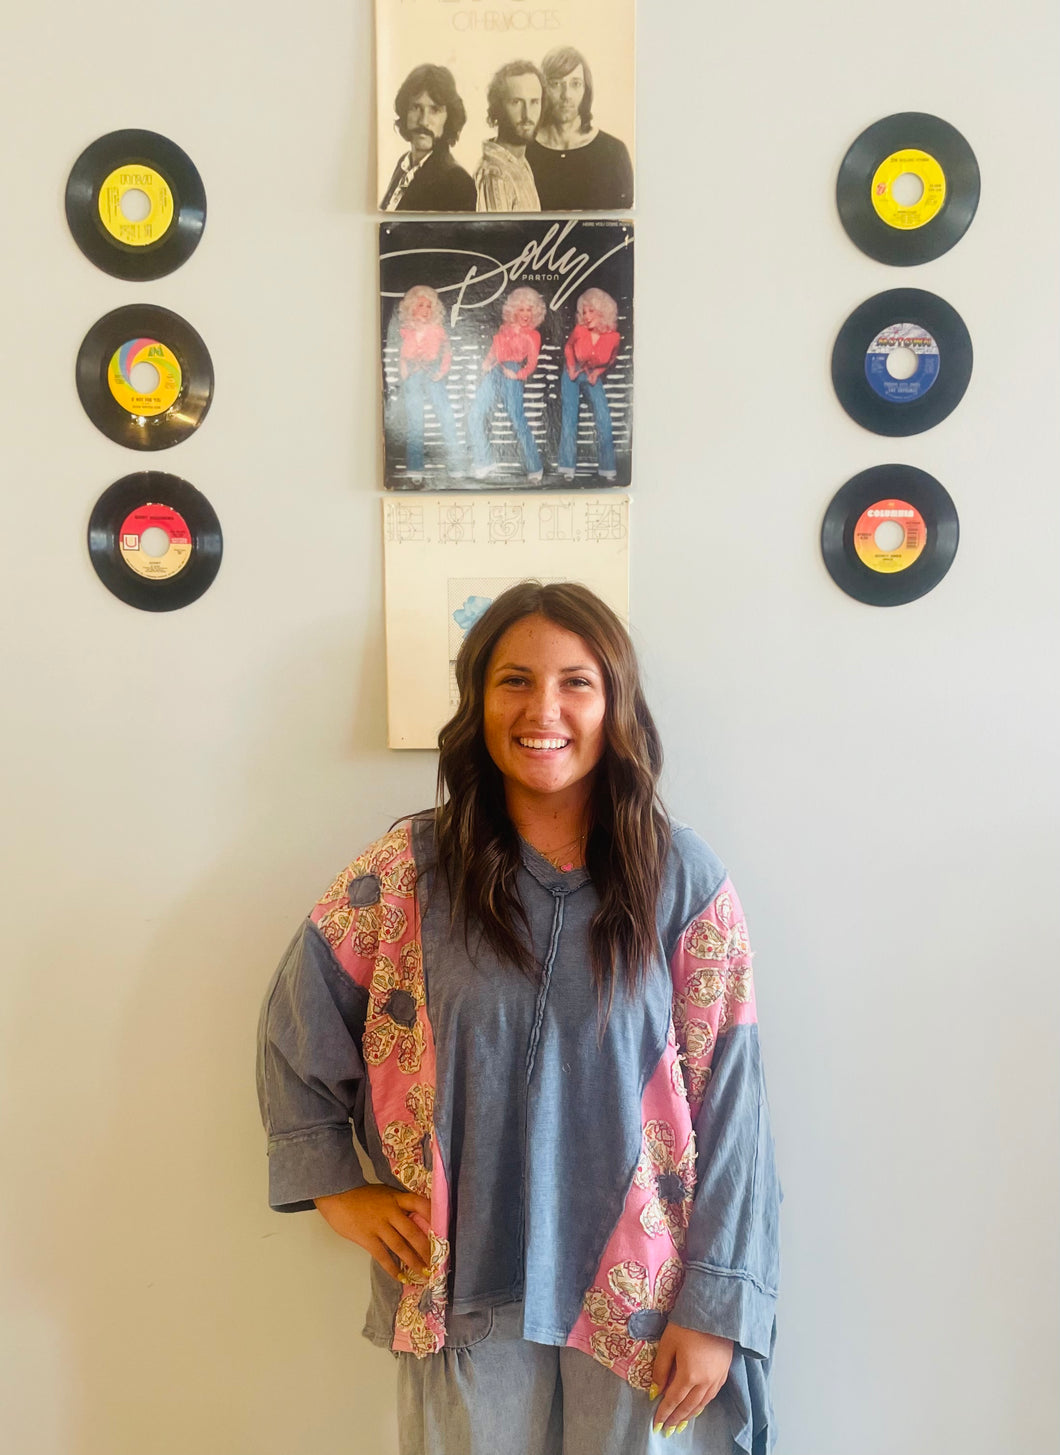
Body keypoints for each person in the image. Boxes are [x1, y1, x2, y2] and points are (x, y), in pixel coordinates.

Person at [257, 581, 781, 1455]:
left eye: (577, 681)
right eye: (514, 680)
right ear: (477, 701)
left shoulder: (680, 878)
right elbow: (297, 1019)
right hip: (462, 1286)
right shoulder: (407, 875)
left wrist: (720, 1304)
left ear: (614, 704)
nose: (545, 709)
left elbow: (734, 1107)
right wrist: (337, 1190)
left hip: (644, 1304)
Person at [526, 47, 634, 211]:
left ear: (586, 90)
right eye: (556, 84)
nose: (566, 94)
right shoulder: (523, 150)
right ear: (542, 90)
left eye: (575, 84)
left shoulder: (613, 151)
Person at [466, 286, 546, 480]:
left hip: (512, 373)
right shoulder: (504, 328)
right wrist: (485, 363)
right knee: (474, 414)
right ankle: (484, 462)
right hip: (494, 371)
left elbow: (532, 363)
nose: (525, 314)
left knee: (518, 420)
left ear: (535, 312)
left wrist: (517, 375)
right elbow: (495, 350)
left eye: (529, 309)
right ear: (513, 311)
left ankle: (535, 467)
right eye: (521, 309)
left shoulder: (533, 335)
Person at [381, 64, 476, 212]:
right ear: (405, 111)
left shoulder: (458, 182)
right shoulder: (404, 164)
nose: (424, 121)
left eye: (435, 110)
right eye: (416, 108)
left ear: (449, 118)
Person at [394, 285, 464, 483]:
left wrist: (442, 371)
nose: (425, 310)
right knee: (415, 422)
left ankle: (456, 465)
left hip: (432, 373)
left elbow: (447, 352)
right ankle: (415, 468)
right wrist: (404, 371)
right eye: (420, 305)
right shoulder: (406, 332)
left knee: (447, 417)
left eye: (428, 306)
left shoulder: (437, 330)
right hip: (413, 377)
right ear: (411, 308)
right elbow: (403, 356)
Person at [559, 287, 622, 481]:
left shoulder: (613, 337)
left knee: (603, 417)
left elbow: (611, 360)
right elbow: (568, 347)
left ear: (603, 310)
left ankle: (607, 468)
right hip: (572, 372)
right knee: (570, 417)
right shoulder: (579, 331)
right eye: (583, 312)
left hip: (592, 375)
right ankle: (567, 467)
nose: (586, 316)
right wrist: (570, 367)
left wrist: (598, 372)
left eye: (591, 311)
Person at [475, 61, 543, 212]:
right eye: (516, 102)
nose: (527, 114)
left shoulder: (520, 162)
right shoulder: (495, 175)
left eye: (534, 102)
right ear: (497, 108)